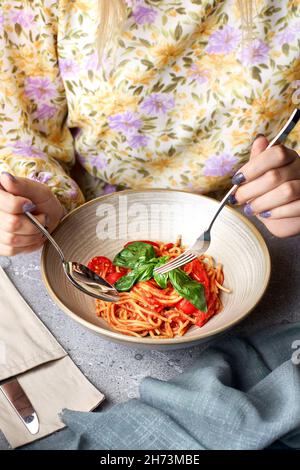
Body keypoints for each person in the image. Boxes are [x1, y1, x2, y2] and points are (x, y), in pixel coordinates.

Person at [0, 0, 299, 257]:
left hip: (254, 234)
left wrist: (290, 189)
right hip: (86, 227)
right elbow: (21, 134)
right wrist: (37, 201)